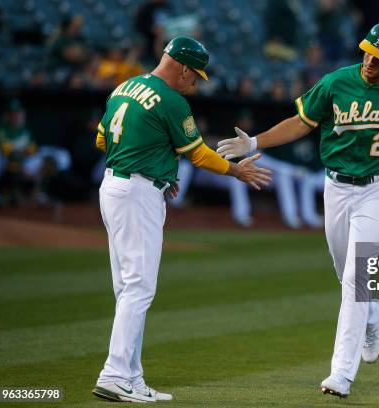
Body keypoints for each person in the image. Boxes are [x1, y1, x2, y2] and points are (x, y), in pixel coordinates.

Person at [217, 22, 379, 398]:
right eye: (368, 50)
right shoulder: (336, 82)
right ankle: (372, 315)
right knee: (346, 273)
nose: (371, 59)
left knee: (355, 277)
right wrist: (257, 141)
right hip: (336, 187)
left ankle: (341, 373)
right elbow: (301, 123)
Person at [91, 36, 271, 403]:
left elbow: (101, 140)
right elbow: (200, 154)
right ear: (184, 67)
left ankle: (132, 376)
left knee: (127, 289)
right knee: (139, 288)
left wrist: (157, 165)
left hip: (113, 187)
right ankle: (113, 374)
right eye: (196, 74)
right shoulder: (172, 100)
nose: (196, 82)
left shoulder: (125, 86)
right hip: (137, 194)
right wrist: (236, 172)